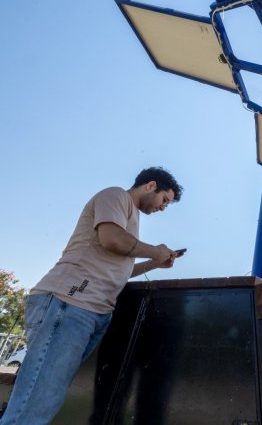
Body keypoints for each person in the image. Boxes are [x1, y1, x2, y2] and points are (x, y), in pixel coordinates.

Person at [0, 167, 184, 425]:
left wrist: (155, 263)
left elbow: (119, 267)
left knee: (47, 394)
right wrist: (155, 251)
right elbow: (112, 239)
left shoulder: (130, 216)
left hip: (88, 310)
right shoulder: (116, 195)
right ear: (151, 185)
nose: (163, 207)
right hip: (68, 302)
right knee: (38, 398)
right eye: (165, 200)